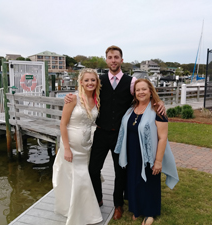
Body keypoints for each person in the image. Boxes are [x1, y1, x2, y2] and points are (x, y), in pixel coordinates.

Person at [65, 45, 165, 220]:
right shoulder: (99, 80)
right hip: (101, 133)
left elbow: (144, 94)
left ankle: (118, 204)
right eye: (110, 57)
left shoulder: (131, 82)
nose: (113, 60)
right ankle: (98, 199)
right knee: (93, 169)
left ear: (121, 60)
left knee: (121, 171)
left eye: (116, 57)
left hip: (121, 135)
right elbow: (85, 92)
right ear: (106, 60)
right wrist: (70, 96)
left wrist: (159, 102)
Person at [114, 79, 179, 225]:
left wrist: (158, 161)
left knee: (149, 183)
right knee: (135, 182)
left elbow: (163, 138)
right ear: (134, 93)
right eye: (138, 90)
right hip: (132, 153)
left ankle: (150, 212)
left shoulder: (158, 111)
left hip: (149, 155)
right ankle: (137, 208)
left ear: (150, 91)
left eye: (144, 89)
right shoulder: (131, 109)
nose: (141, 92)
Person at [52, 68, 103, 225]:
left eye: (93, 80)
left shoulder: (97, 99)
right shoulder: (73, 99)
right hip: (71, 146)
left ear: (97, 82)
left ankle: (83, 209)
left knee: (81, 178)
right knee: (78, 179)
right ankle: (77, 214)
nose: (90, 83)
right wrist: (66, 148)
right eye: (86, 80)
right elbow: (63, 124)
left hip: (86, 145)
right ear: (81, 82)